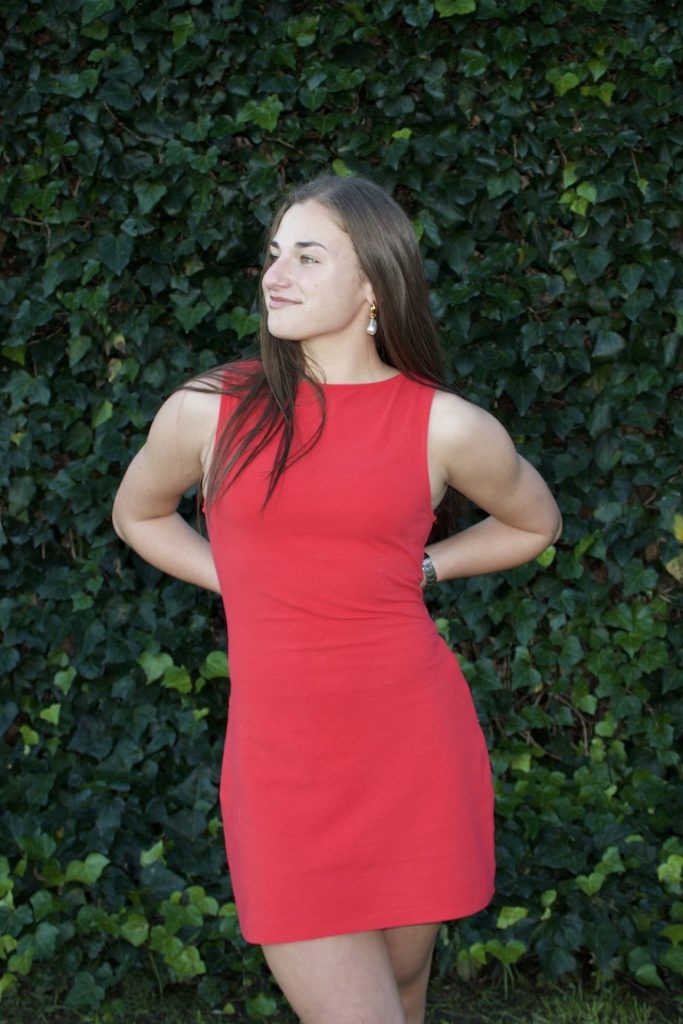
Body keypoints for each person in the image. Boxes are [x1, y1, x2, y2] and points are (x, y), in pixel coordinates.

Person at [112, 175, 562, 1024]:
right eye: (273, 253)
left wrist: (421, 569)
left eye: (307, 256)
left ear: (373, 287)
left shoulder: (445, 426)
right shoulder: (210, 410)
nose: (274, 274)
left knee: (403, 997)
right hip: (282, 770)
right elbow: (137, 513)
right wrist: (244, 579)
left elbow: (534, 523)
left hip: (411, 751)